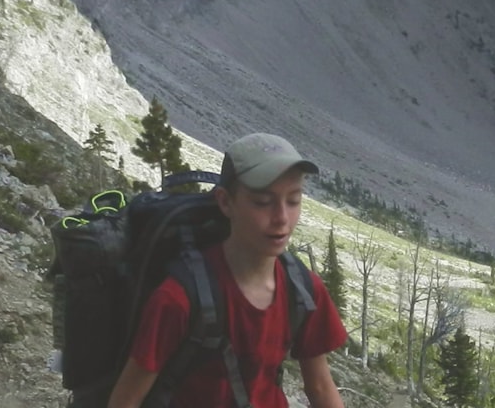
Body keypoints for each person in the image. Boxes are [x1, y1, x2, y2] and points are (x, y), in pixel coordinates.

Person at [106, 133, 349, 408]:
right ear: (225, 202)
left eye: (293, 201)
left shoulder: (303, 289)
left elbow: (320, 387)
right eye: (262, 202)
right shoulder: (179, 298)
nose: (282, 218)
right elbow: (126, 400)